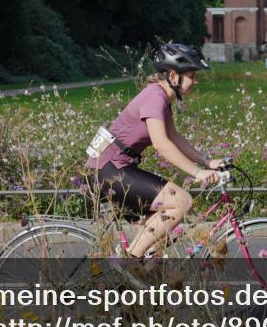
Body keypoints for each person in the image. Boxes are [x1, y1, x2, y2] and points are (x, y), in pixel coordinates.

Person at [84, 43, 223, 259]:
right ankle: (129, 264)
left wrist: (206, 162)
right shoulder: (154, 98)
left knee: (156, 238)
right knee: (181, 202)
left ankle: (130, 278)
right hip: (108, 169)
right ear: (174, 76)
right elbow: (162, 144)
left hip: (116, 167)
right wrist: (197, 173)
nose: (195, 81)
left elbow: (174, 138)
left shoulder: (162, 99)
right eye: (192, 75)